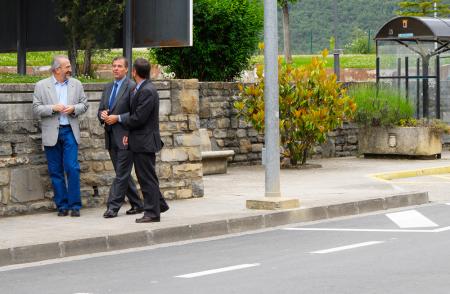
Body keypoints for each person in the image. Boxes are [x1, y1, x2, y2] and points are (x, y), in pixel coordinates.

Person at [104, 58, 168, 223]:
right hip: (139, 140)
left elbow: (139, 118)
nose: (116, 68)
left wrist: (119, 120)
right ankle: (159, 205)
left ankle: (152, 213)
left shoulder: (147, 90)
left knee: (147, 178)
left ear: (133, 72)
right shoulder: (141, 88)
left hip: (144, 142)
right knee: (146, 177)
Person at [33, 55, 88, 217]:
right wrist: (53, 107)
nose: (70, 69)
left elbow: (84, 105)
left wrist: (74, 108)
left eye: (69, 66)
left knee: (72, 167)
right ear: (57, 69)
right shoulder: (41, 86)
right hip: (51, 132)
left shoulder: (76, 84)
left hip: (70, 130)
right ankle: (62, 206)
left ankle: (75, 206)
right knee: (55, 170)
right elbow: (36, 109)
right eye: (67, 66)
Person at [98, 56, 144, 218]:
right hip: (110, 136)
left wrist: (117, 118)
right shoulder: (108, 87)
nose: (115, 69)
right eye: (114, 66)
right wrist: (102, 114)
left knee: (121, 174)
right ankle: (138, 204)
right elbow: (101, 109)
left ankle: (113, 206)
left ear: (126, 69)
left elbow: (135, 114)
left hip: (126, 136)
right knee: (122, 172)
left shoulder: (132, 87)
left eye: (119, 66)